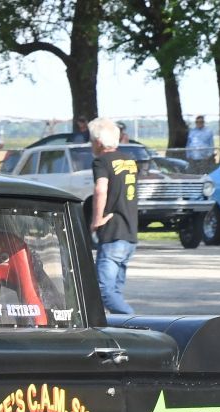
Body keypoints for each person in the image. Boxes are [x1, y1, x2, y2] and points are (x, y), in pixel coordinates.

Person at [88, 117, 138, 316]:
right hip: (130, 233)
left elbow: (101, 189)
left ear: (99, 142)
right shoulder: (129, 161)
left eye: (92, 141)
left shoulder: (101, 161)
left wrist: (96, 220)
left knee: (104, 291)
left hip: (112, 233)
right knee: (115, 290)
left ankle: (138, 327)